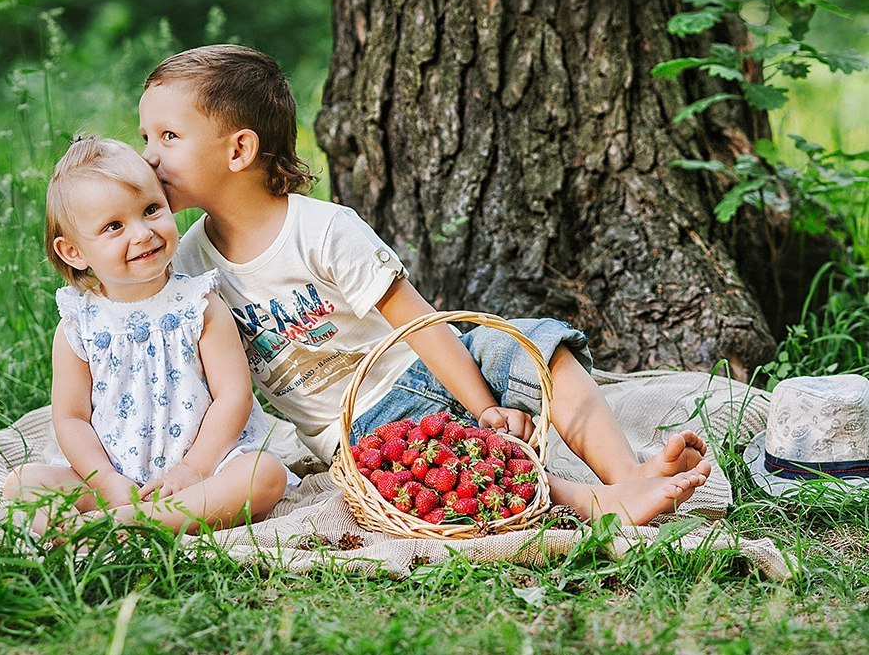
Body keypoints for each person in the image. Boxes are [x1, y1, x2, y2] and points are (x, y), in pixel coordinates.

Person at [137, 44, 712, 526]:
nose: (149, 157)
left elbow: (419, 323)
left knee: (535, 345)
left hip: (434, 363)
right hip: (358, 431)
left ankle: (627, 471)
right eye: (146, 137)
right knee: (447, 473)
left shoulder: (323, 230)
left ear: (239, 149)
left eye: (167, 136)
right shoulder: (188, 268)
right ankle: (598, 504)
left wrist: (484, 407)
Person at [2, 136, 296, 536]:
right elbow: (71, 418)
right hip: (113, 477)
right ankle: (112, 517)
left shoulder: (199, 304)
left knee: (264, 475)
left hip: (203, 468)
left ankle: (129, 524)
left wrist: (194, 468)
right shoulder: (80, 322)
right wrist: (104, 479)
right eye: (114, 226)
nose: (142, 233)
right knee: (22, 484)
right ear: (73, 252)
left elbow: (234, 396)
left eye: (151, 209)